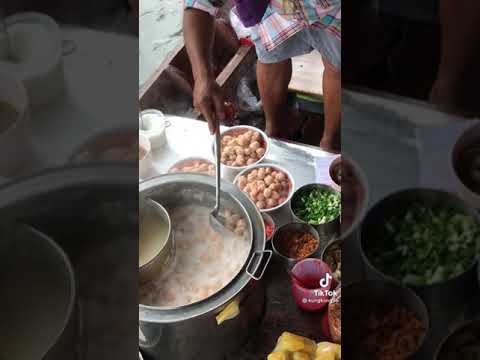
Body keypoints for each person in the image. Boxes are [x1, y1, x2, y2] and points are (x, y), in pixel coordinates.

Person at [183, 0, 341, 150]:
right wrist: (202, 77)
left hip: (332, 8)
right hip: (270, 6)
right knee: (270, 55)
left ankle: (328, 143)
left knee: (337, 64)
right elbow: (198, 5)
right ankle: (272, 132)